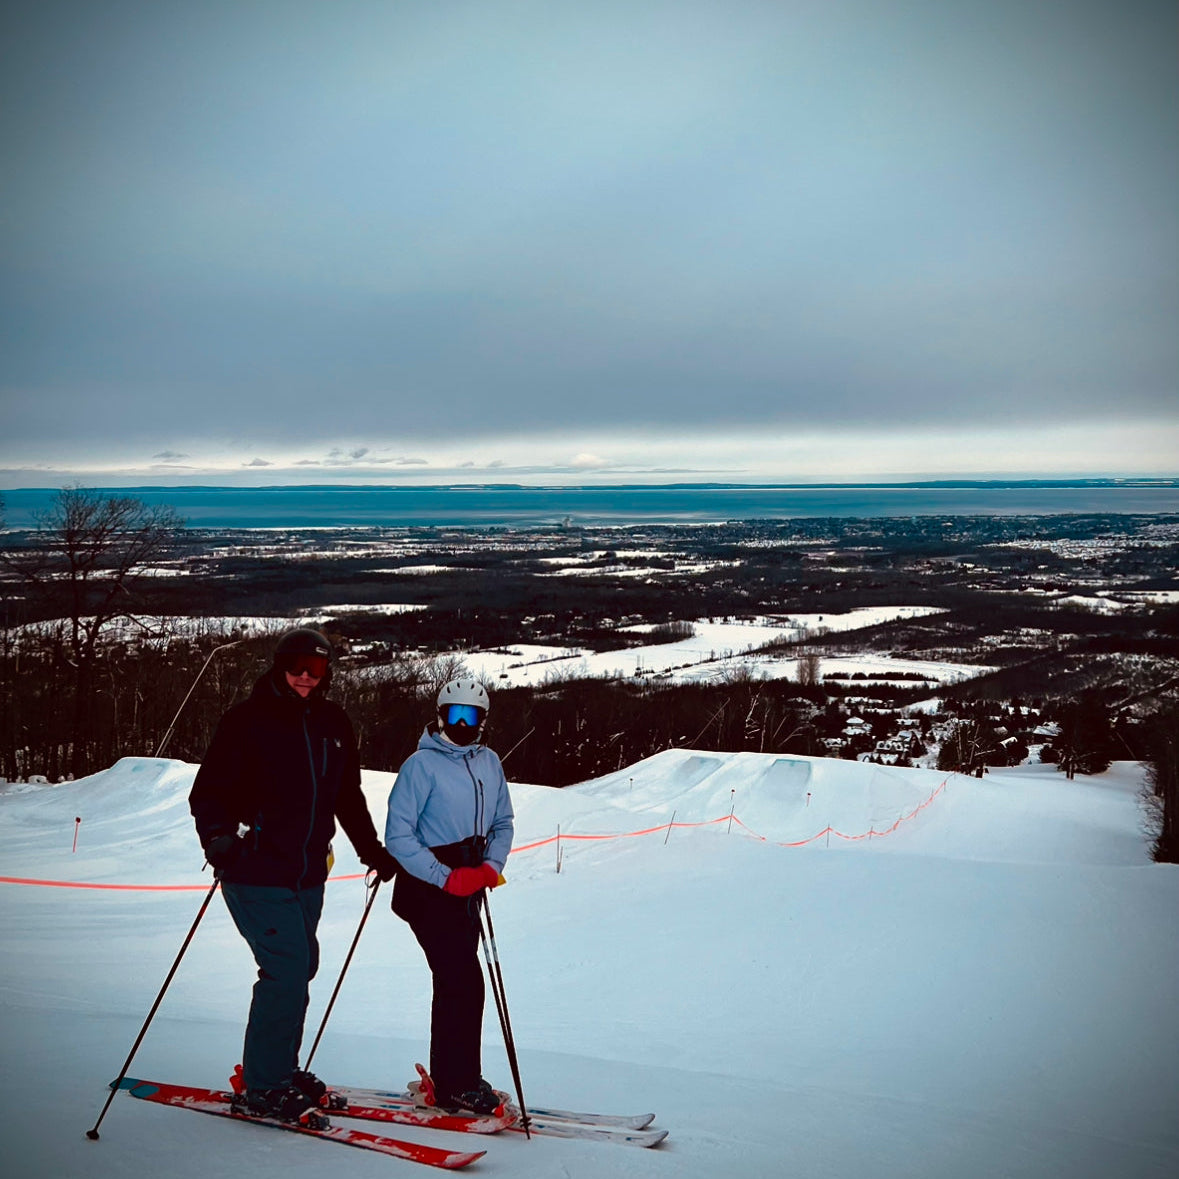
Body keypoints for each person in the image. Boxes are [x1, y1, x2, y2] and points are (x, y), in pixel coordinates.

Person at [189, 627, 398, 1122]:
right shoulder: (246, 720)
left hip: (307, 872)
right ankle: (264, 1084)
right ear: (279, 665)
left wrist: (372, 850)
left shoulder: (333, 722)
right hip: (254, 867)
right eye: (297, 667)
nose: (306, 677)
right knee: (285, 968)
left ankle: (278, 1066)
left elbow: (346, 795)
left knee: (300, 968)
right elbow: (208, 793)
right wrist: (219, 840)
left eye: (317, 669)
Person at [385, 677, 515, 1116]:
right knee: (461, 979)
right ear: (441, 716)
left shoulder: (489, 762)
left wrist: (489, 867)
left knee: (465, 982)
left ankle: (461, 1076)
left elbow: (503, 822)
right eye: (455, 715)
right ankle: (453, 1082)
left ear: (482, 721)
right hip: (428, 887)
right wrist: (444, 877)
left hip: (469, 882)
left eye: (472, 716)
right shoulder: (420, 766)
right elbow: (398, 836)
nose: (463, 724)